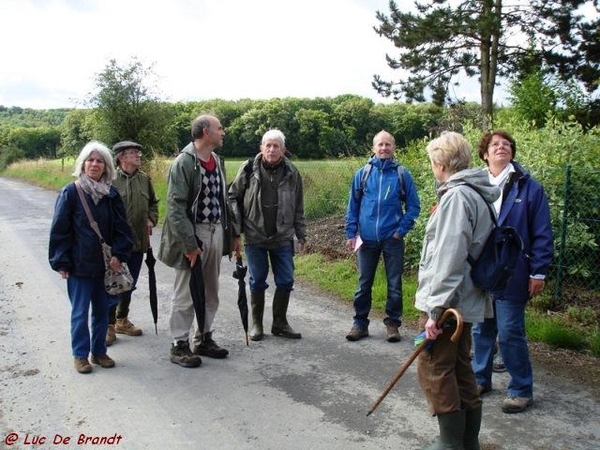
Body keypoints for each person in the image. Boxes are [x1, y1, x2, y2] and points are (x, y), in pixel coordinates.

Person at [415, 131, 499, 449]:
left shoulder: (457, 197)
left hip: (449, 305)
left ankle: (450, 443)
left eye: (433, 161)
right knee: (460, 365)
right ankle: (467, 441)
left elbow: (448, 258)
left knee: (434, 365)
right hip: (465, 301)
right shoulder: (475, 194)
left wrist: (434, 313)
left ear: (441, 162)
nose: (432, 167)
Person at [471, 130, 553, 414]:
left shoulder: (529, 187)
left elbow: (542, 232)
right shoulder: (475, 184)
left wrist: (538, 272)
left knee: (509, 332)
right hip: (481, 269)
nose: (501, 147)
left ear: (512, 153)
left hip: (514, 271)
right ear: (485, 153)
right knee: (481, 329)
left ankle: (520, 389)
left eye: (506, 145)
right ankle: (480, 379)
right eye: (495, 144)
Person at [49, 141, 133, 374]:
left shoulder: (111, 194)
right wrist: (61, 262)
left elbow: (122, 229)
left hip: (105, 266)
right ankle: (80, 355)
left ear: (106, 167)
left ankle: (99, 352)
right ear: (83, 164)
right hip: (79, 265)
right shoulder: (71, 192)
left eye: (99, 161)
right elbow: (60, 230)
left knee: (102, 311)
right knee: (79, 313)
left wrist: (119, 254)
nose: (94, 164)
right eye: (90, 160)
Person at [158, 114, 231, 368]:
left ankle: (204, 338)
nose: (223, 132)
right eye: (219, 128)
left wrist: (233, 236)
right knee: (187, 292)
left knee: (211, 290)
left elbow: (224, 201)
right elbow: (175, 208)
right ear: (204, 132)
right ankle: (179, 344)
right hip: (193, 233)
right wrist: (190, 245)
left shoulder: (217, 161)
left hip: (215, 231)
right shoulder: (185, 163)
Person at [227, 129, 307, 341]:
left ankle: (280, 323)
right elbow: (233, 196)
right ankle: (256, 325)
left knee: (286, 280)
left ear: (283, 150)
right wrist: (237, 229)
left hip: (283, 236)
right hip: (255, 236)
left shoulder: (292, 172)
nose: (271, 149)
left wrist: (302, 235)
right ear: (261, 148)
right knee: (257, 280)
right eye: (268, 145)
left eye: (276, 146)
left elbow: (299, 206)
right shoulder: (248, 169)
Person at [344, 130, 421, 342]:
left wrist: (401, 230)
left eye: (388, 145)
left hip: (392, 239)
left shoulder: (402, 175)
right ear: (373, 148)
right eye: (380, 145)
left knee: (394, 284)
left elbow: (414, 206)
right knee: (363, 284)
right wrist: (351, 232)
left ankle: (393, 325)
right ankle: (360, 323)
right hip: (366, 239)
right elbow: (353, 206)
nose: (384, 148)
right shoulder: (363, 174)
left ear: (394, 148)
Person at [105, 140, 159, 346]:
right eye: (133, 153)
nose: (138, 156)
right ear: (121, 157)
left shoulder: (144, 179)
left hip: (138, 242)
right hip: (116, 245)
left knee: (130, 283)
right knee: (114, 284)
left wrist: (151, 219)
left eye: (138, 152)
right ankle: (108, 325)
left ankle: (121, 319)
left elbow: (154, 202)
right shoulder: (110, 180)